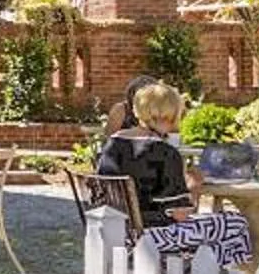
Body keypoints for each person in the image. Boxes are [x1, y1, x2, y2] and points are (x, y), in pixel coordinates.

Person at [97, 81, 250, 263]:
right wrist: (192, 186)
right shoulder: (166, 153)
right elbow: (180, 215)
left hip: (114, 231)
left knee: (213, 228)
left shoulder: (112, 145)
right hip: (151, 237)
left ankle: (196, 270)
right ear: (170, 115)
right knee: (237, 224)